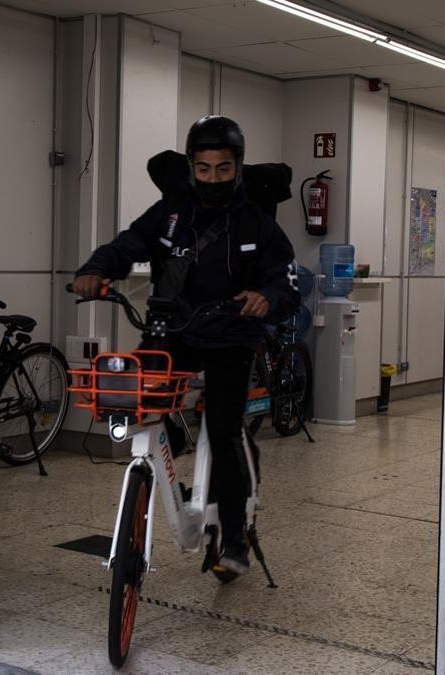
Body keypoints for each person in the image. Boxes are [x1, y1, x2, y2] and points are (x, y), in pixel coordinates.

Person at [71, 115, 300, 576]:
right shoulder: (171, 213)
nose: (212, 178)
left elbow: (287, 285)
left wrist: (265, 298)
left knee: (222, 426)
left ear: (238, 166)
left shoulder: (257, 222)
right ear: (192, 168)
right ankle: (167, 441)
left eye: (222, 168)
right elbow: (127, 244)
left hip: (231, 336)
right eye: (203, 168)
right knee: (133, 395)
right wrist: (96, 268)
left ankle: (233, 537)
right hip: (173, 331)